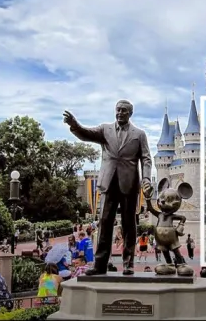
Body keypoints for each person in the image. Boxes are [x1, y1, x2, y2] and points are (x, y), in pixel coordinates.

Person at [63, 100, 153, 276]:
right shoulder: (105, 130)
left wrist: (147, 179)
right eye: (118, 110)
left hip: (129, 184)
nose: (120, 113)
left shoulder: (139, 134)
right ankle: (100, 264)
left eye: (124, 111)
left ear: (130, 114)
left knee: (129, 225)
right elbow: (86, 133)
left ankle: (128, 264)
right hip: (108, 183)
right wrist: (74, 125)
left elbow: (146, 158)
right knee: (104, 223)